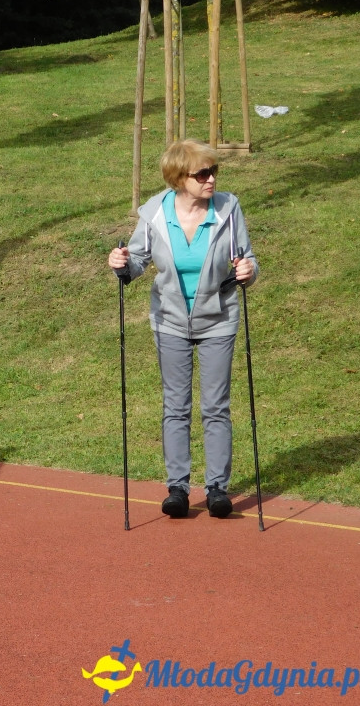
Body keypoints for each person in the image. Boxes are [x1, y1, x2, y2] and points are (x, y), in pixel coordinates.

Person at [108, 139, 258, 519]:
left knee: (216, 407)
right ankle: (177, 488)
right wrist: (121, 263)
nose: (211, 180)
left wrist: (248, 271)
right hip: (170, 321)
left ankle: (217, 489)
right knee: (176, 406)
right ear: (179, 178)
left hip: (218, 320)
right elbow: (139, 259)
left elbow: (246, 258)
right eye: (202, 174)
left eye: (214, 172)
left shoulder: (228, 208)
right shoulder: (156, 214)